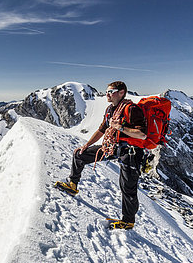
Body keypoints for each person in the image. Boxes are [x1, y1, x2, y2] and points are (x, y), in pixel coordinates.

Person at [55, 81, 147, 230]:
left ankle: (128, 221)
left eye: (111, 91)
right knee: (80, 155)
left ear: (121, 92)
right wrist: (86, 146)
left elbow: (142, 135)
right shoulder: (110, 110)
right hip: (114, 147)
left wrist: (120, 127)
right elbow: (101, 130)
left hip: (131, 151)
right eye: (107, 91)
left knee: (127, 186)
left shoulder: (132, 109)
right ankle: (73, 184)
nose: (107, 94)